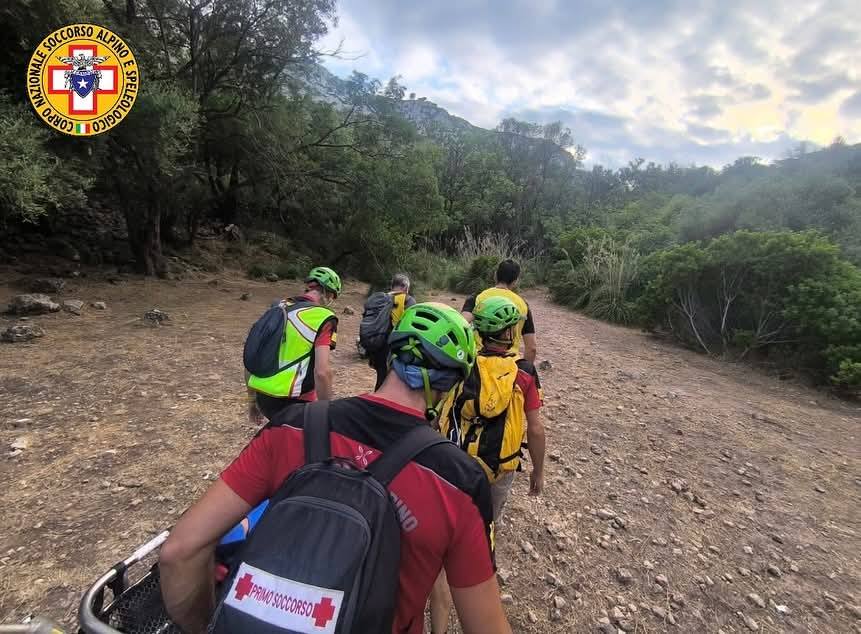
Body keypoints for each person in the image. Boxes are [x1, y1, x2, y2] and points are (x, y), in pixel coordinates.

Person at [160, 303, 512, 634]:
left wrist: (207, 624)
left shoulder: (291, 427)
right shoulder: (459, 481)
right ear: (449, 385)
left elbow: (180, 552)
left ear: (390, 358)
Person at [429, 296, 545, 634]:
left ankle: (438, 627)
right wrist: (538, 470)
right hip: (497, 470)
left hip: (452, 464)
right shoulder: (524, 373)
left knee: (441, 548)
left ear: (478, 330)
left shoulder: (461, 364)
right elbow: (535, 428)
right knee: (481, 535)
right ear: (509, 333)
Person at [246, 266, 341, 423]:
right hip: (294, 403)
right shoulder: (324, 317)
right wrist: (326, 413)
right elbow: (322, 372)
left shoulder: (279, 307)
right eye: (334, 297)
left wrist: (252, 402)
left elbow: (253, 355)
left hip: (263, 398)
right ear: (328, 293)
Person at [461, 259, 537, 363]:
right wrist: (525, 371)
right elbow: (531, 348)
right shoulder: (523, 304)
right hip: (510, 365)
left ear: (495, 275)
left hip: (479, 362)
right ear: (515, 281)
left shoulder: (478, 297)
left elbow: (461, 324)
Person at [368, 273, 417, 389]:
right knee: (392, 381)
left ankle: (377, 400)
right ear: (405, 286)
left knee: (381, 377)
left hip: (377, 344)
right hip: (395, 346)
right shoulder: (408, 300)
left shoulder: (380, 298)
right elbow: (412, 325)